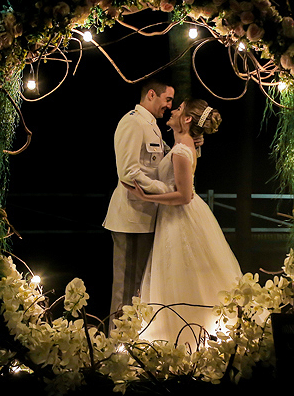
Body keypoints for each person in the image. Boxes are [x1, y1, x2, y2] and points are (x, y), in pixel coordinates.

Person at [127, 99, 242, 348]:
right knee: (188, 274)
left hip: (179, 217)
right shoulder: (184, 146)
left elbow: (184, 195)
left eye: (178, 109)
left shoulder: (181, 151)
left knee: (181, 272)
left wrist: (147, 197)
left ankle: (182, 339)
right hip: (177, 216)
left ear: (187, 119)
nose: (173, 110)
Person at [102, 79, 175, 333]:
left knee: (138, 288)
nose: (169, 105)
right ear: (151, 94)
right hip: (131, 218)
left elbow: (168, 161)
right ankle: (116, 344)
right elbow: (128, 172)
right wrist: (164, 190)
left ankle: (132, 339)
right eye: (167, 99)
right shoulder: (132, 122)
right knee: (125, 288)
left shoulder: (151, 125)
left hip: (147, 217)